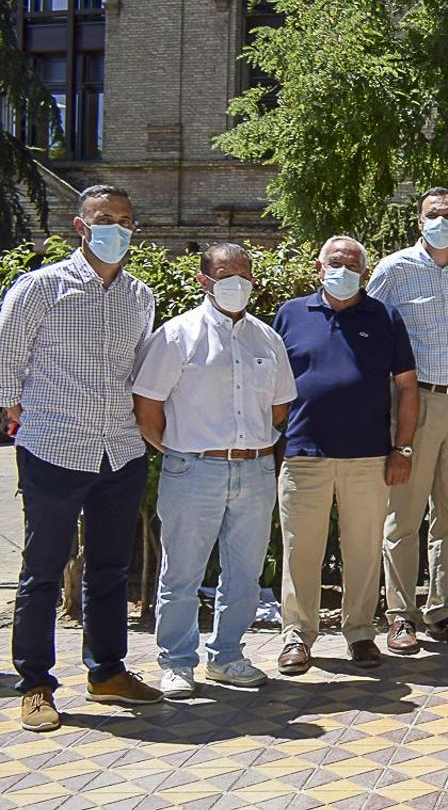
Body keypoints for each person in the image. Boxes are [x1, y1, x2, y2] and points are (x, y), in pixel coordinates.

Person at [1, 185, 164, 730]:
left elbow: (143, 373)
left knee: (111, 568)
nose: (115, 227)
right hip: (53, 447)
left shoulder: (140, 296)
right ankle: (36, 683)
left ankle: (107, 672)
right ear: (81, 225)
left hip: (119, 451)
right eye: (103, 218)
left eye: (124, 219)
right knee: (43, 569)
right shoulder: (40, 288)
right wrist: (14, 414)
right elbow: (7, 360)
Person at [131, 244, 297, 698]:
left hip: (256, 470)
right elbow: (147, 405)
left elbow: (279, 407)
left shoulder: (268, 338)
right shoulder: (177, 335)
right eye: (226, 274)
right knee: (182, 572)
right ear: (205, 281)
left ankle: (227, 656)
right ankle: (177, 662)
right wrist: (181, 448)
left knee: (245, 574)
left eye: (244, 273)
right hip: (194, 470)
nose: (237, 282)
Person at [273, 237, 419, 675]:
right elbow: (269, 383)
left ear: (366, 273)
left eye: (352, 264)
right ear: (320, 268)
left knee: (363, 550)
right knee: (300, 550)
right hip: (303, 455)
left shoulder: (384, 316)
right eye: (335, 262)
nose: (343, 269)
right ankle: (296, 636)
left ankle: (359, 633)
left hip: (369, 456)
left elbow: (407, 386)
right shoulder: (290, 314)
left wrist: (402, 448)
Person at [368, 186, 448, 651]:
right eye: (432, 214)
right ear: (419, 221)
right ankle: (401, 615)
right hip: (414, 404)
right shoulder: (394, 269)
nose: (441, 220)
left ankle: (443, 609)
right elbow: (372, 329)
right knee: (404, 516)